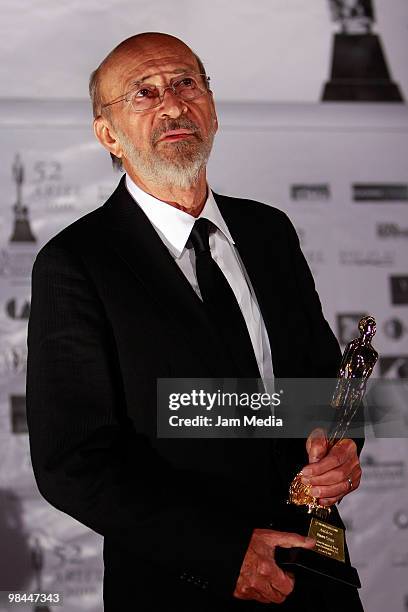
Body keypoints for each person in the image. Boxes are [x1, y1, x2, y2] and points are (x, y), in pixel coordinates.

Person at [26, 32, 364, 611]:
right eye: (144, 93)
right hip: (182, 585)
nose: (174, 105)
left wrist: (343, 446)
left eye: (187, 83)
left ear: (212, 106)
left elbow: (324, 384)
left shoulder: (270, 232)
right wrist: (221, 552)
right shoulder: (75, 263)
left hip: (315, 578)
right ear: (108, 134)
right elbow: (71, 462)